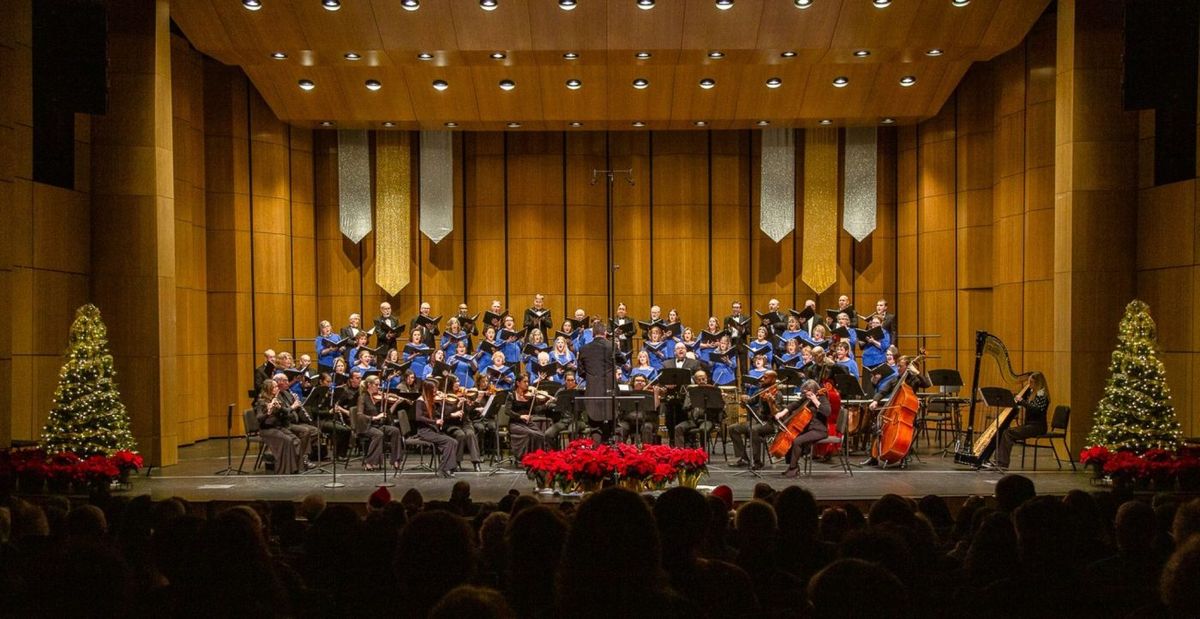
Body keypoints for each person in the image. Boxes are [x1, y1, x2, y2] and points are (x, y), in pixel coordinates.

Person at [993, 372, 1050, 470]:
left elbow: (1036, 410)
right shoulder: (1032, 393)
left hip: (1038, 427)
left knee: (1008, 433)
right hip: (1030, 426)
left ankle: (1002, 463)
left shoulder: (1042, 395)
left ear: (1038, 383)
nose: (1029, 385)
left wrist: (1022, 402)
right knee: (1004, 431)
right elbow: (1027, 405)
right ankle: (998, 460)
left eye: (1031, 382)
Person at [779, 380, 831, 478]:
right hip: (808, 429)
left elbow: (827, 412)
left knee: (797, 441)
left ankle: (793, 468)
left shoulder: (822, 398)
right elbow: (795, 404)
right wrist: (782, 412)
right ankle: (792, 465)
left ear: (811, 390)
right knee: (790, 437)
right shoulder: (807, 398)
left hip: (819, 430)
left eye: (804, 392)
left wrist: (816, 401)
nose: (803, 394)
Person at [731, 369, 780, 470]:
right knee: (733, 428)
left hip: (770, 423)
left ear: (773, 379)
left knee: (753, 430)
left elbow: (777, 414)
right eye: (763, 377)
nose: (762, 379)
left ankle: (757, 462)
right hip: (758, 421)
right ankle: (744, 458)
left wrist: (770, 402)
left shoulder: (777, 394)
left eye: (766, 378)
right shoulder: (761, 391)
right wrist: (744, 401)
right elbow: (748, 404)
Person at [578, 320, 617, 439]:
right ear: (605, 332)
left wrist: (591, 377)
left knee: (594, 426)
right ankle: (611, 454)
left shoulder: (584, 349)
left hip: (592, 390)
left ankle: (596, 454)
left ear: (593, 334)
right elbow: (622, 360)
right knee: (611, 424)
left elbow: (580, 371)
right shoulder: (611, 346)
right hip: (610, 390)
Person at [254, 379, 302, 474]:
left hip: (277, 427)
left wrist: (280, 408)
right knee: (287, 440)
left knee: (296, 441)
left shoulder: (277, 399)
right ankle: (285, 469)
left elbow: (285, 412)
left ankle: (296, 468)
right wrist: (268, 412)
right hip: (267, 430)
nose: (277, 388)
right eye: (275, 387)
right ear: (269, 389)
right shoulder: (261, 401)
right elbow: (259, 418)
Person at [414, 379, 460, 477]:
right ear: (428, 390)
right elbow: (418, 417)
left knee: (454, 442)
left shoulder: (431, 400)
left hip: (433, 430)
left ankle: (446, 468)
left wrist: (454, 404)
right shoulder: (420, 401)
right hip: (424, 431)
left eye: (436, 390)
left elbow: (442, 414)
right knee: (449, 442)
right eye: (434, 390)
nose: (436, 392)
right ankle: (444, 469)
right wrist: (435, 421)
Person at [355, 375, 402, 471]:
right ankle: (369, 462)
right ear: (369, 385)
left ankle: (395, 460)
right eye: (376, 385)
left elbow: (387, 413)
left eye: (379, 385)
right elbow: (359, 415)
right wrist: (374, 417)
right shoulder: (362, 398)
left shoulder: (378, 398)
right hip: (366, 426)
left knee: (395, 430)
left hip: (377, 425)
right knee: (379, 434)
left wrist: (396, 403)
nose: (379, 387)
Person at [508, 374, 548, 458]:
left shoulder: (530, 396)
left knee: (541, 435)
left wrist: (546, 404)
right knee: (531, 434)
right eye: (524, 382)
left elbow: (535, 410)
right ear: (518, 383)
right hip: (515, 424)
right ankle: (526, 458)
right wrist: (520, 416)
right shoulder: (512, 395)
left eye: (528, 382)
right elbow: (507, 411)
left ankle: (539, 457)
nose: (527, 384)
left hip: (527, 423)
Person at [673, 369, 715, 447]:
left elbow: (718, 407)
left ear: (706, 378)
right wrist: (693, 402)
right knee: (678, 428)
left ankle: (702, 453)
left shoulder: (713, 391)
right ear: (695, 380)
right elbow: (685, 407)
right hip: (693, 420)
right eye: (699, 379)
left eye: (703, 379)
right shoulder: (691, 392)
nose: (702, 381)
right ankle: (680, 453)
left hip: (707, 420)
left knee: (703, 429)